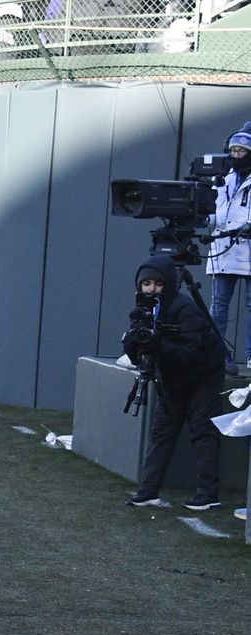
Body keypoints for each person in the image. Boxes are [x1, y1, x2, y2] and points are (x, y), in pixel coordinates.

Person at [123, 255, 226, 511]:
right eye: (146, 283)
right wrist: (134, 341)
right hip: (172, 376)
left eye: (158, 283)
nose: (152, 289)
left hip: (204, 374)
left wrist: (158, 342)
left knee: (203, 431)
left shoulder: (185, 308)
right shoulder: (144, 311)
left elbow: (188, 353)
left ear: (168, 283)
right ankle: (148, 491)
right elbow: (141, 356)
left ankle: (208, 494)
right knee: (161, 431)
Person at [207, 123, 251, 376]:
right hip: (223, 249)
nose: (235, 155)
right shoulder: (223, 177)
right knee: (218, 305)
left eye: (241, 151)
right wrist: (206, 220)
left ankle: (249, 354)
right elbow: (215, 211)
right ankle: (216, 354)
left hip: (247, 248)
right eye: (232, 150)